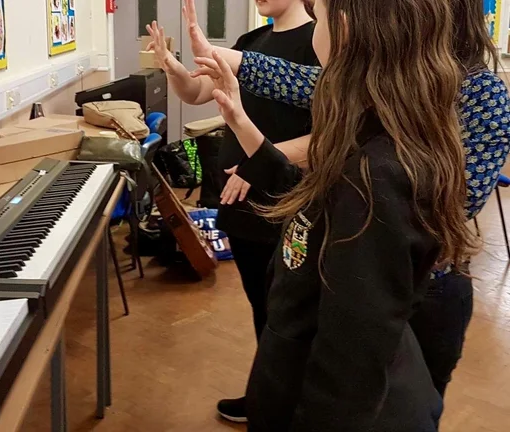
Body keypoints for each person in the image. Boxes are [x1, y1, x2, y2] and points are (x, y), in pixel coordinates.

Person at [185, 0, 510, 403]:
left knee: (392, 404)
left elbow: (443, 218)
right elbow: (294, 79)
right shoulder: (368, 85)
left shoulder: (474, 95)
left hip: (419, 295)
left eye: (322, 17)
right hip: (352, 286)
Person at [146, 0, 317, 422]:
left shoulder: (319, 44)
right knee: (263, 308)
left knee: (288, 314)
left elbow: (329, 132)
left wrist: (261, 162)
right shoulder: (250, 42)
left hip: (284, 198)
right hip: (238, 202)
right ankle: (267, 393)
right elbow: (198, 92)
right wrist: (171, 63)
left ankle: (286, 403)